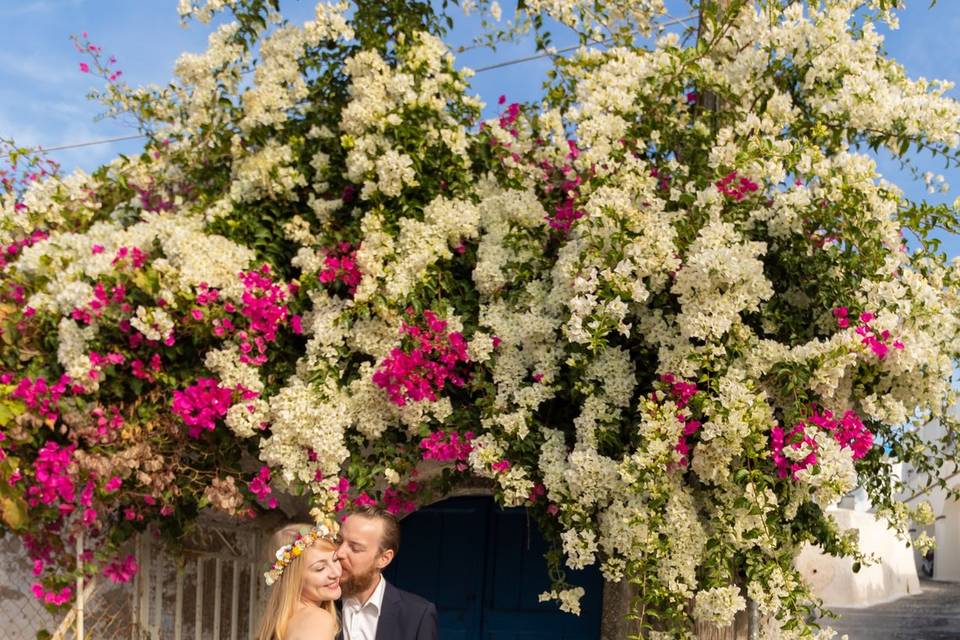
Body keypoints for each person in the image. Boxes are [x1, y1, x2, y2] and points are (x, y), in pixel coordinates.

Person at [336, 506, 437, 640]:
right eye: (338, 541)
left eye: (355, 548)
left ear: (384, 559)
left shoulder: (417, 615)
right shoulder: (319, 603)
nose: (339, 553)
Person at [257, 521, 343, 640]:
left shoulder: (282, 624)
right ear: (294, 579)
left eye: (335, 560)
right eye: (320, 568)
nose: (337, 573)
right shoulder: (317, 620)